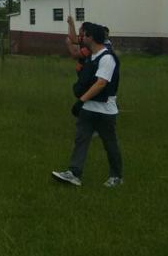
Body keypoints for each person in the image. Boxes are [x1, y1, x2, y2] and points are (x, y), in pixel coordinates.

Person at [52, 23, 123, 188]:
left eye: (84, 35)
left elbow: (101, 84)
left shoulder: (107, 58)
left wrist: (81, 101)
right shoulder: (91, 57)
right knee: (81, 139)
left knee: (110, 143)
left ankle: (116, 177)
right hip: (88, 109)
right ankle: (74, 173)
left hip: (105, 111)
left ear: (91, 37)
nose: (81, 38)